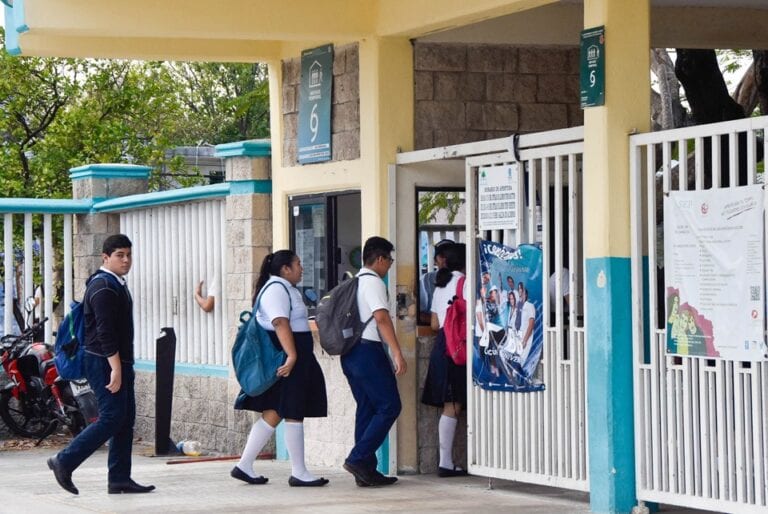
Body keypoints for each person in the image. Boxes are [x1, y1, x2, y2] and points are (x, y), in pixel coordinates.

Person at [48, 234, 155, 495]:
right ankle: (64, 460)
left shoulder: (114, 283)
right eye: (120, 255)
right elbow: (105, 334)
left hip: (115, 360)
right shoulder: (104, 287)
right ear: (105, 258)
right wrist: (116, 368)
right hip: (104, 361)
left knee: (125, 418)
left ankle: (119, 478)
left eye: (129, 255)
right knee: (111, 417)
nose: (126, 260)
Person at [232, 250, 329, 487]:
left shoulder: (285, 287)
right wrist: (293, 355)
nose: (301, 268)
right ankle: (299, 472)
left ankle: (244, 465)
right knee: (293, 410)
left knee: (276, 410)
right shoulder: (276, 289)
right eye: (297, 264)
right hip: (289, 357)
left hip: (296, 357)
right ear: (285, 269)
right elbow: (279, 322)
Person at [341, 236, 406, 487]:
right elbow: (381, 318)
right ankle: (358, 458)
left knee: (367, 408)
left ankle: (365, 470)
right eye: (389, 259)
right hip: (368, 351)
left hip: (351, 353)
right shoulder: (374, 282)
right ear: (379, 259)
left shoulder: (354, 282)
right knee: (390, 406)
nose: (390, 264)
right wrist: (397, 352)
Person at [422, 243, 468, 477]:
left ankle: (446, 462)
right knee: (454, 405)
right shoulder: (465, 283)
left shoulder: (440, 286)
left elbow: (433, 324)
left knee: (450, 404)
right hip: (459, 346)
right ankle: (446, 463)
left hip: (443, 345)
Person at [419, 239, 455, 324]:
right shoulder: (426, 280)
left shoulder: (464, 279)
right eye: (442, 256)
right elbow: (420, 313)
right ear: (435, 260)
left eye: (450, 255)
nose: (446, 259)